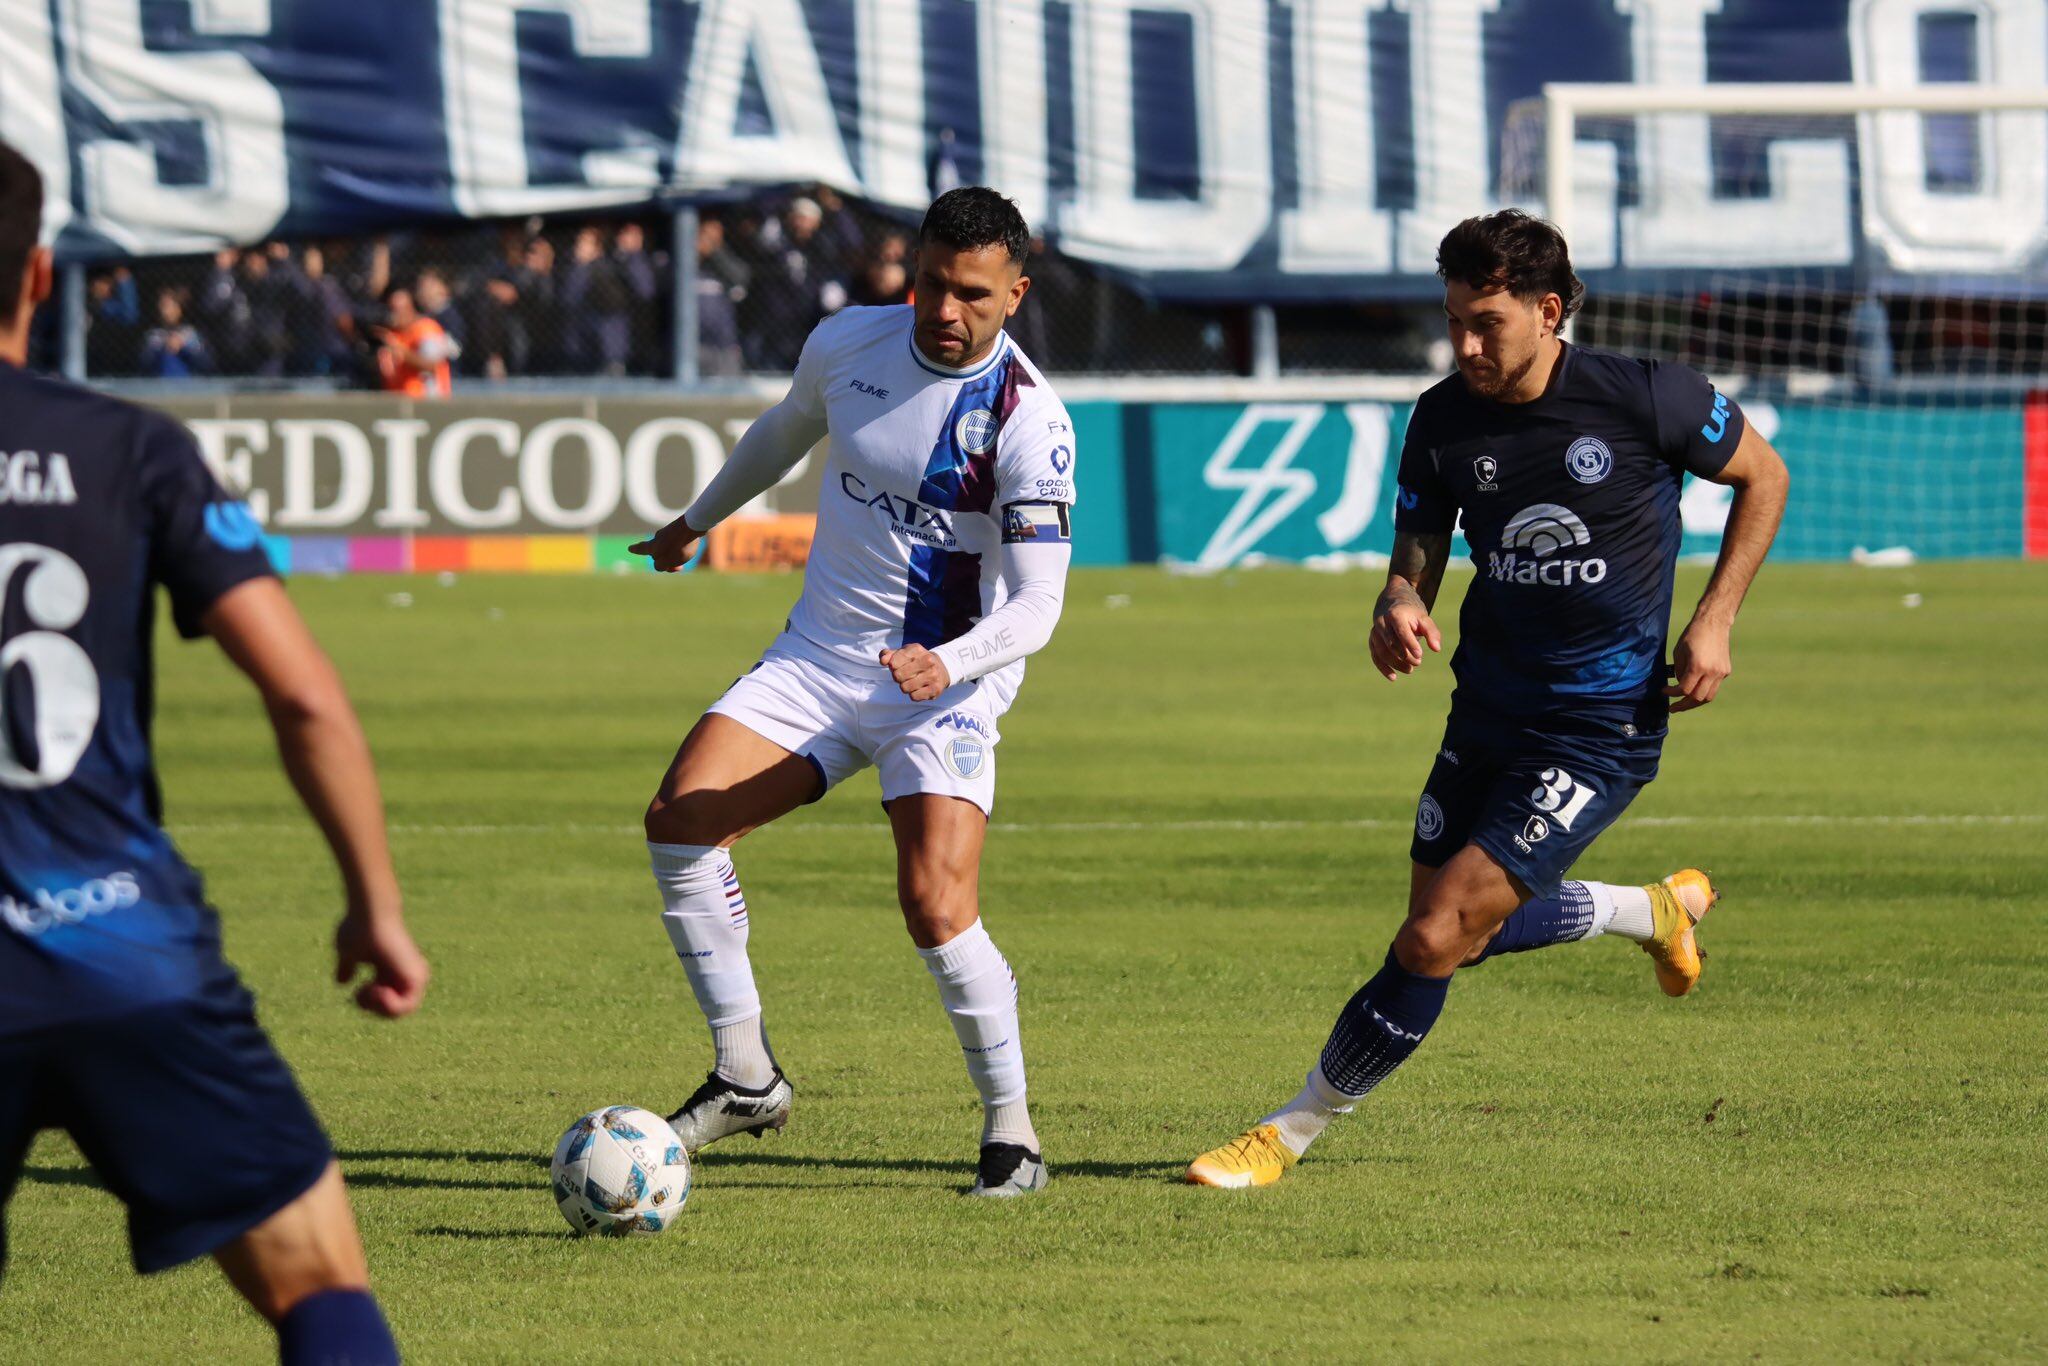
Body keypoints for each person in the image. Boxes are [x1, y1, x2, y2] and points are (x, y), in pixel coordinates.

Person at [1186, 209, 1790, 1188]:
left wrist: (1715, 617)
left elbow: (1762, 476)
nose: (1463, 344)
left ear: (1547, 312)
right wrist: (1396, 598)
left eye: (1486, 323)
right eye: (1453, 320)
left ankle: (1285, 1133)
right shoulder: (1441, 416)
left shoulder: (1646, 396)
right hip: (1486, 710)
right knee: (1452, 935)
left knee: (1431, 935)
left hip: (1598, 727)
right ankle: (1652, 912)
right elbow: (1419, 541)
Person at [0, 139, 427, 1362]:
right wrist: (374, 906)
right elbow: (303, 697)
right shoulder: (127, 447)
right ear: (39, 276)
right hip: (122, 949)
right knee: (318, 1282)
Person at [629, 187, 1077, 1198]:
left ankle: (1012, 1132)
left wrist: (950, 663)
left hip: (945, 685)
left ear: (1014, 292)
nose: (943, 311)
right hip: (818, 659)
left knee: (933, 901)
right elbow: (787, 429)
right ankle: (745, 1074)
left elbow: (1039, 606)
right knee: (679, 824)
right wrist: (694, 519)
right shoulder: (847, 344)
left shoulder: (1028, 421)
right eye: (928, 284)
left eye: (969, 293)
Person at [373, 284, 456, 397]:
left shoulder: (426, 328)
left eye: (402, 309)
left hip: (426, 401)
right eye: (392, 309)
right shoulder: (391, 333)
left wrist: (400, 351)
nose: (396, 314)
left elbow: (430, 365)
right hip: (396, 400)